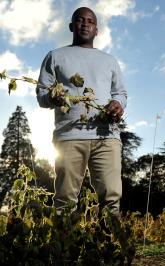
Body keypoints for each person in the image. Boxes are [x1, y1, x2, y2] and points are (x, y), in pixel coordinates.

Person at [36, 7, 127, 216]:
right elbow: (42, 95)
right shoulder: (55, 56)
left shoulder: (109, 61)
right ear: (71, 26)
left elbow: (120, 93)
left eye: (90, 21)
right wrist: (52, 97)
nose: (85, 24)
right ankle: (64, 247)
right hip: (69, 135)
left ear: (96, 30)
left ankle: (109, 246)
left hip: (107, 135)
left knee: (111, 197)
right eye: (79, 20)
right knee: (65, 200)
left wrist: (118, 104)